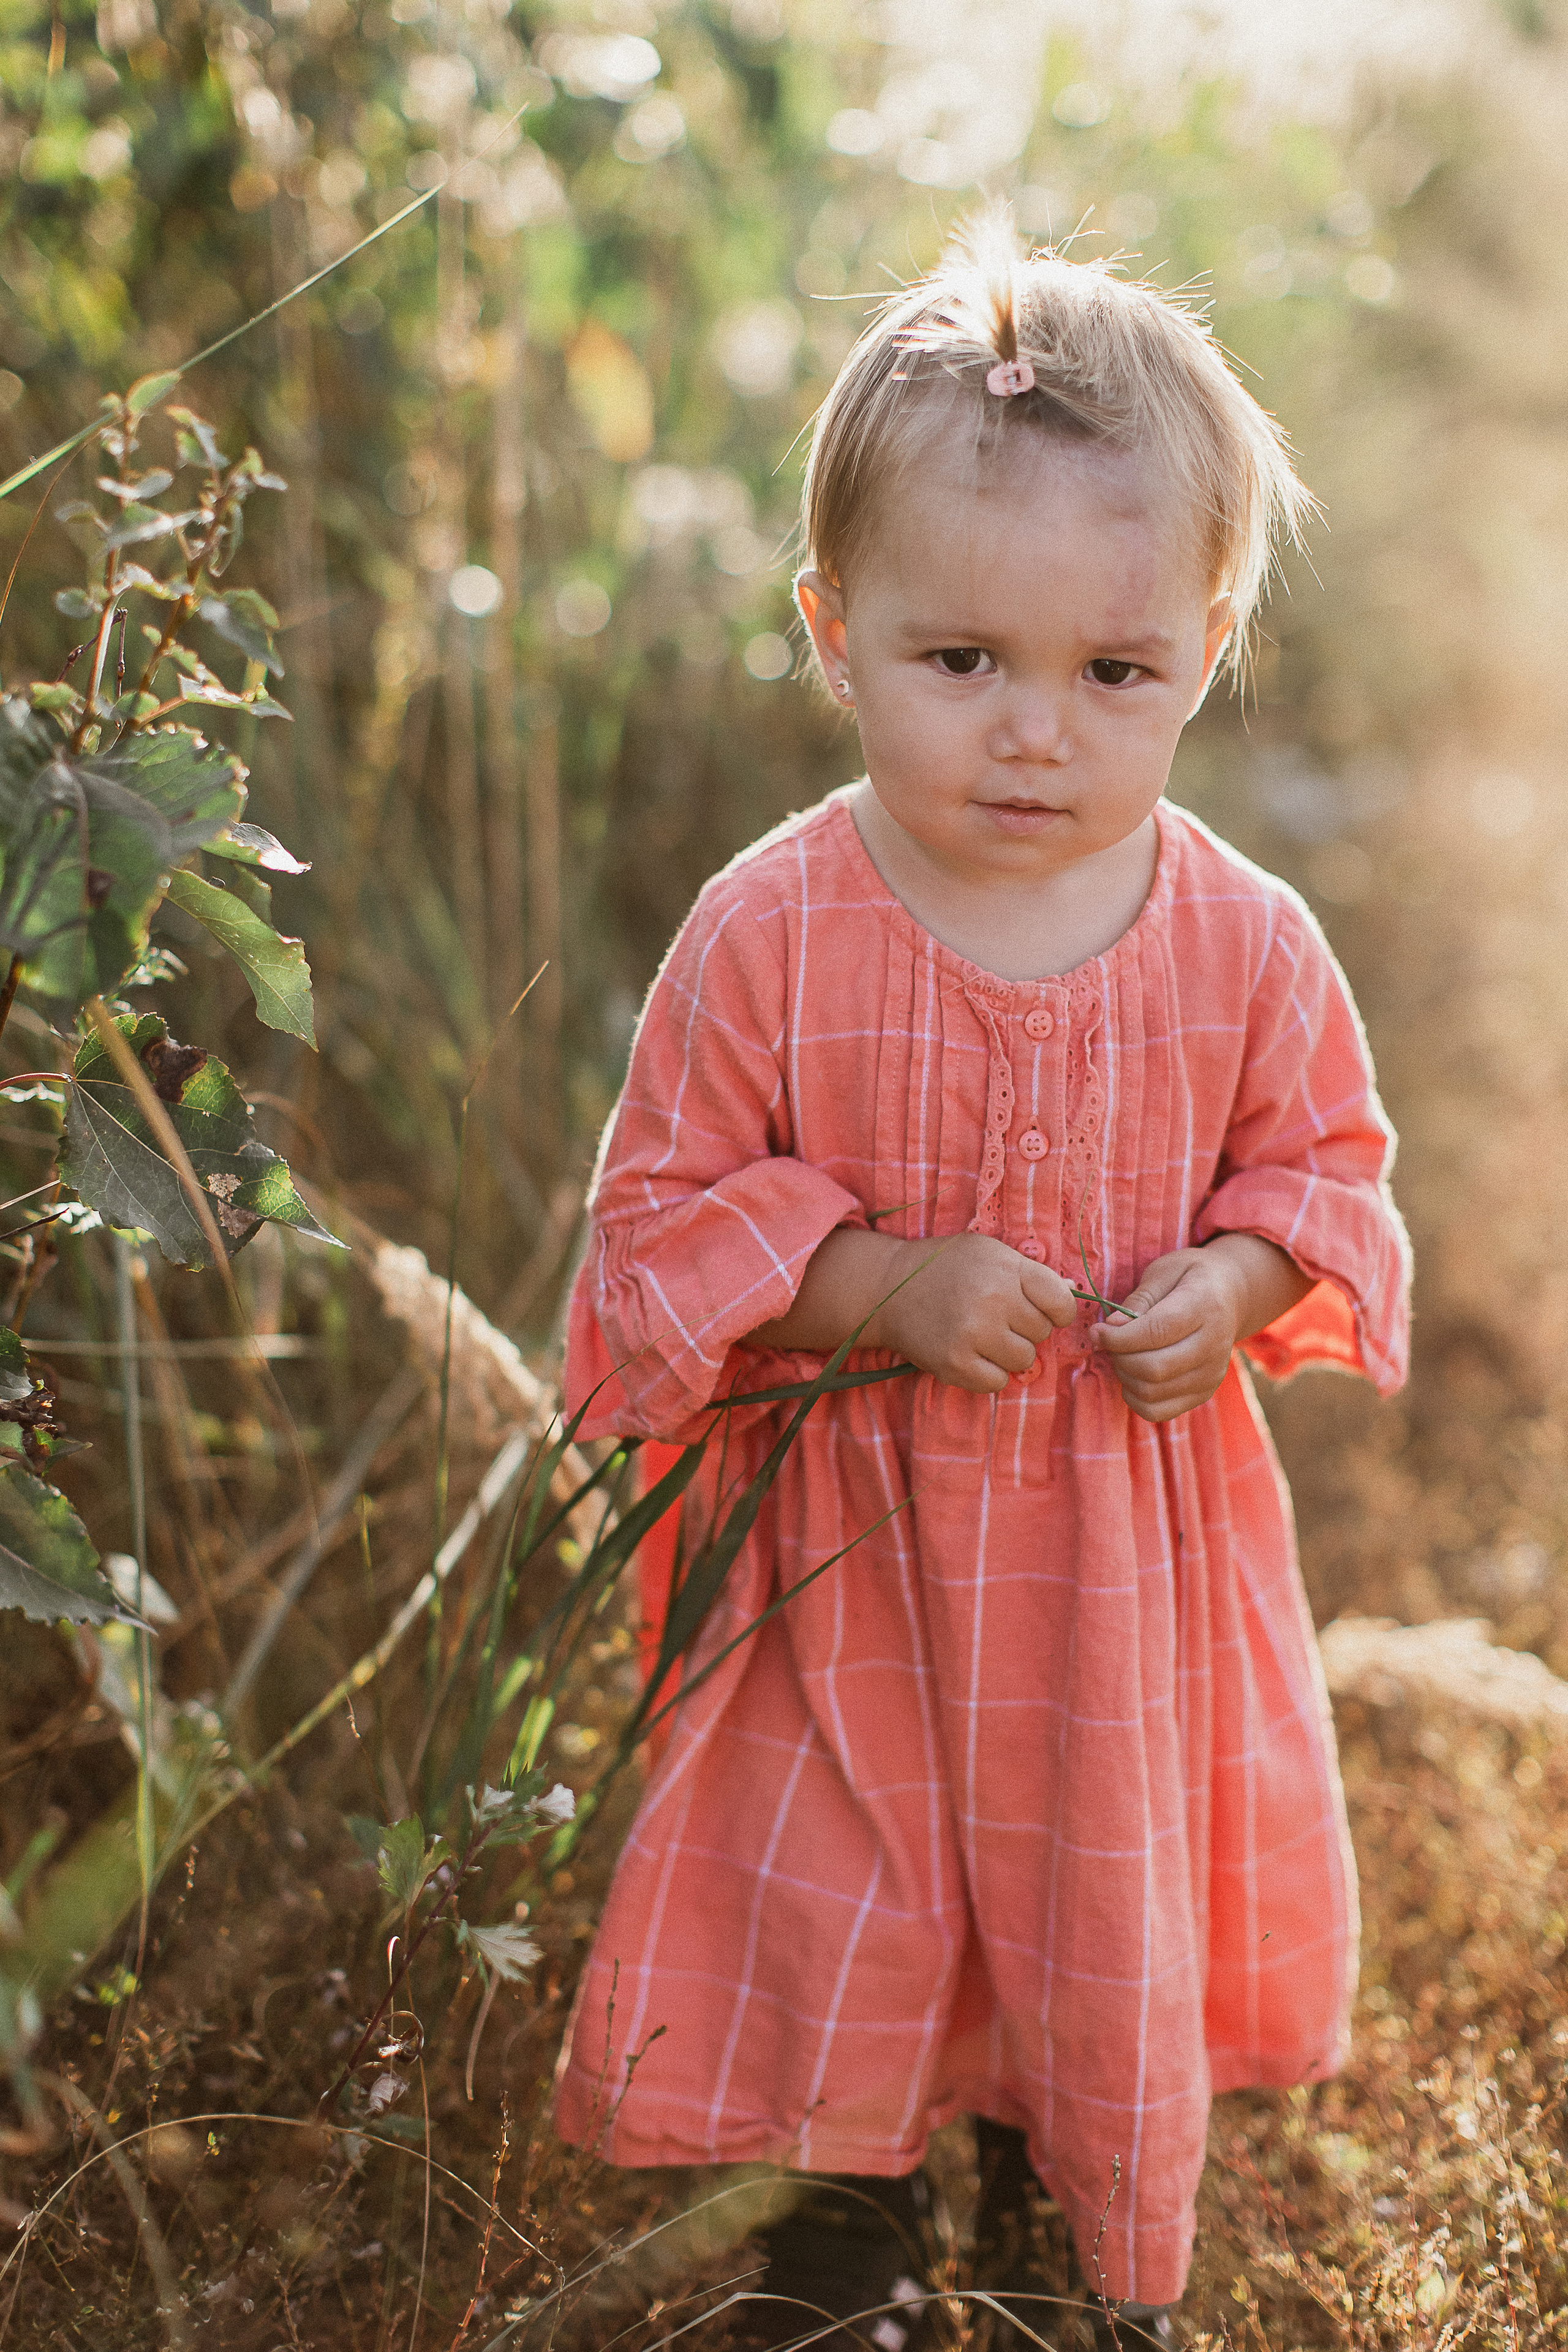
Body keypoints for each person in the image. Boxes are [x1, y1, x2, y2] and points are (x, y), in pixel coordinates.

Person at [550, 210, 1411, 2348]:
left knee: (1088, 1870)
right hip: (842, 1554)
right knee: (842, 1866)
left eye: (1112, 674)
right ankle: (841, 2222)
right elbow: (655, 1223)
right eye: (964, 664)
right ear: (835, 630)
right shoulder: (771, 934)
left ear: (1205, 645)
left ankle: (1052, 2187)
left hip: (1115, 1558)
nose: (1037, 735)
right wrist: (870, 1284)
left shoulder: (1241, 942)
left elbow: (1329, 1175)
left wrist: (1232, 1273)